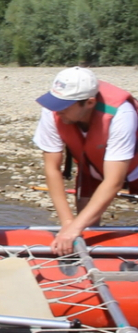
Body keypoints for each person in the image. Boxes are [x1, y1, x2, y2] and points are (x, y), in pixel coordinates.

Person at [33, 67, 138, 256]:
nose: (57, 110)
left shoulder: (121, 114)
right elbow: (52, 169)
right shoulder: (53, 111)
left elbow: (114, 181)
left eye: (64, 105)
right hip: (91, 165)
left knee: (79, 224)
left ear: (89, 103)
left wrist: (74, 228)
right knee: (83, 220)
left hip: (132, 165)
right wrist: (68, 224)